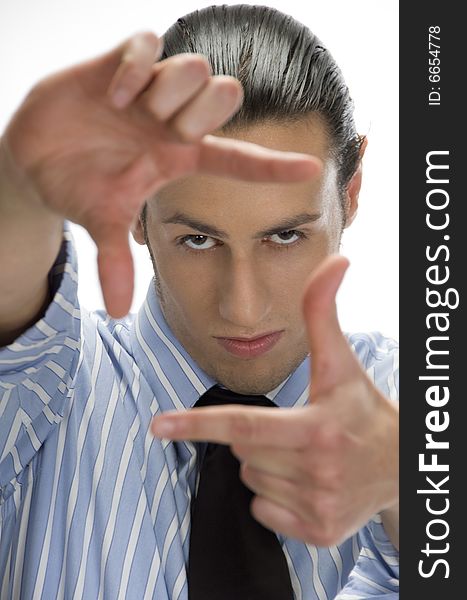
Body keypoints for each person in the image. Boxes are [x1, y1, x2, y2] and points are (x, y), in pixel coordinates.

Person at [0, 4, 399, 599]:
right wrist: (19, 190)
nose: (243, 308)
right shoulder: (46, 398)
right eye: (198, 239)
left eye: (285, 236)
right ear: (135, 207)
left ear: (352, 192)